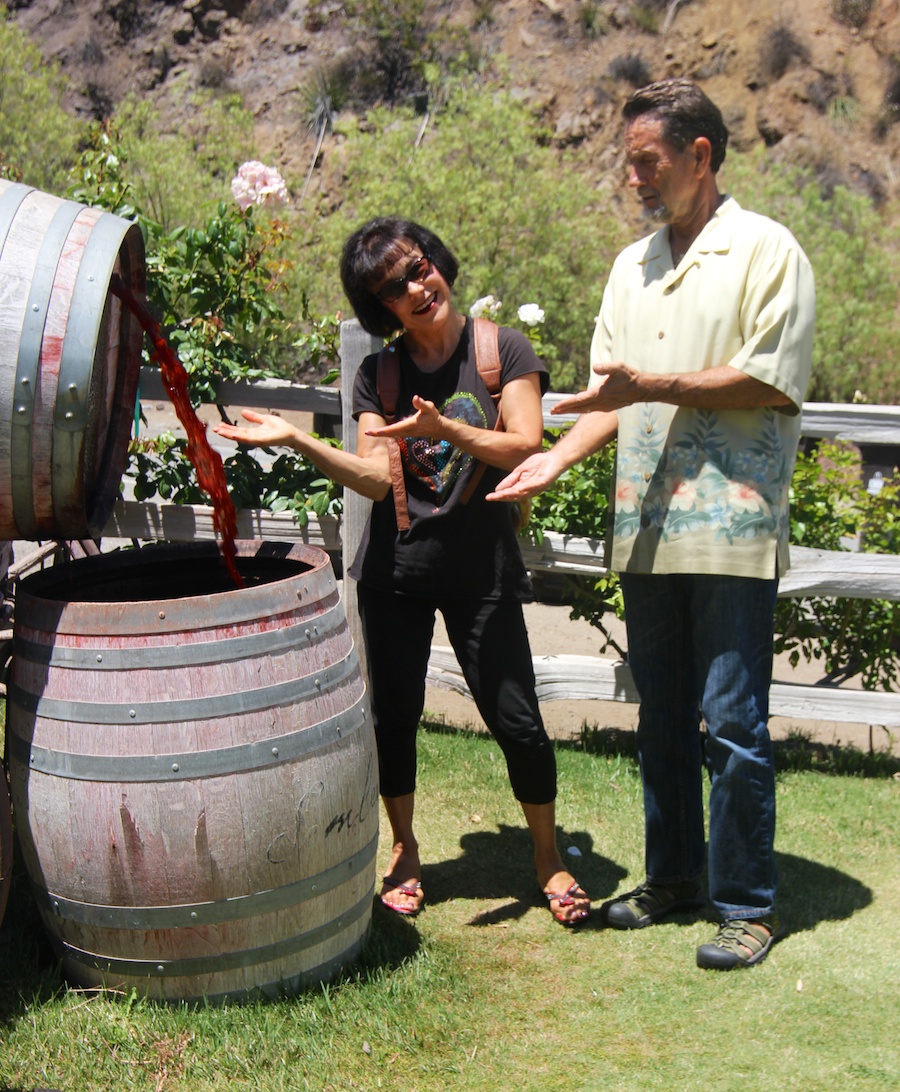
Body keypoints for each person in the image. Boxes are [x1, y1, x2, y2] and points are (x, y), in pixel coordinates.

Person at [488, 79, 815, 969]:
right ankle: (673, 879)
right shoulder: (630, 266)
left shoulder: (766, 251)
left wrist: (650, 388)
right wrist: (556, 457)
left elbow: (770, 378)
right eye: (628, 161)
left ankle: (747, 905)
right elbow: (609, 398)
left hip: (732, 530)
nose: (633, 177)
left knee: (734, 719)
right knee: (662, 715)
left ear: (699, 157)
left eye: (649, 161)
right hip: (646, 528)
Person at [214, 216, 590, 925]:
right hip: (395, 571)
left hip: (482, 571)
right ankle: (406, 849)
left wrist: (448, 431)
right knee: (393, 719)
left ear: (437, 262)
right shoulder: (378, 373)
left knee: (518, 720)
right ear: (379, 307)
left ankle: (548, 857)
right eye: (394, 287)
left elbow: (525, 446)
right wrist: (297, 438)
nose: (418, 288)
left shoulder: (500, 349)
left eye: (419, 268)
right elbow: (370, 476)